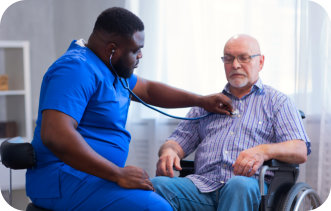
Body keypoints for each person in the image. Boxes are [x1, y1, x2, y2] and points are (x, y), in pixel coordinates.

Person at [25, 7, 233, 211]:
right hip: (62, 180)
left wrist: (201, 100)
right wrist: (117, 174)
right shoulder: (75, 69)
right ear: (111, 49)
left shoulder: (109, 69)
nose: (140, 55)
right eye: (135, 50)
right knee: (156, 208)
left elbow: (149, 91)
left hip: (90, 178)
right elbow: (55, 135)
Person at [151, 34, 311, 211]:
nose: (235, 65)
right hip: (202, 186)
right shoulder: (206, 104)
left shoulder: (278, 102)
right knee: (156, 185)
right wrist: (169, 152)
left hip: (249, 187)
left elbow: (300, 149)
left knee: (239, 186)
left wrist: (263, 151)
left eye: (244, 58)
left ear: (261, 62)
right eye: (228, 59)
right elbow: (176, 142)